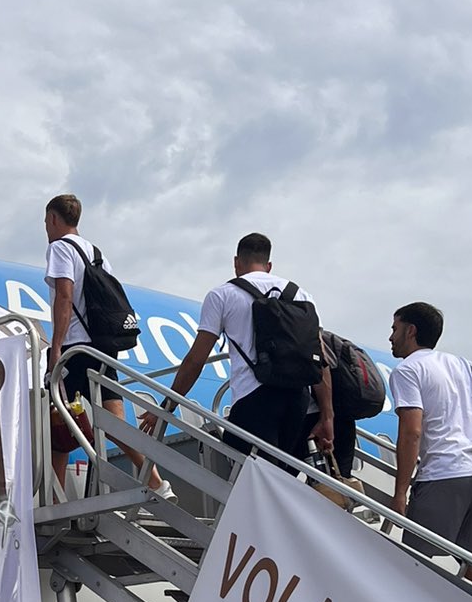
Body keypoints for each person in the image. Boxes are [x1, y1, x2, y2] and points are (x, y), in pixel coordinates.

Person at [144, 233, 334, 468]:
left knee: (249, 474)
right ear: (269, 265)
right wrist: (327, 416)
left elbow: (196, 360)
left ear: (236, 262)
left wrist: (167, 407)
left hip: (254, 398)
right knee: (278, 476)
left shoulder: (223, 295)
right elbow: (321, 361)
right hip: (296, 400)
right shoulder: (301, 295)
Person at [43, 194, 168, 493]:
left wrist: (56, 347)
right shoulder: (98, 254)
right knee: (115, 425)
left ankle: (59, 500)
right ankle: (157, 482)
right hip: (103, 346)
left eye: (46, 221)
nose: (46, 227)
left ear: (54, 219)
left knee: (58, 423)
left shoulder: (60, 248)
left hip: (77, 348)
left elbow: (64, 296)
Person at [387, 302, 472, 596]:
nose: (390, 337)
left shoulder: (407, 371)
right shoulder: (463, 364)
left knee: (410, 569)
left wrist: (400, 492)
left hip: (442, 477)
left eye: (394, 329)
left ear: (411, 331)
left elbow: (412, 432)